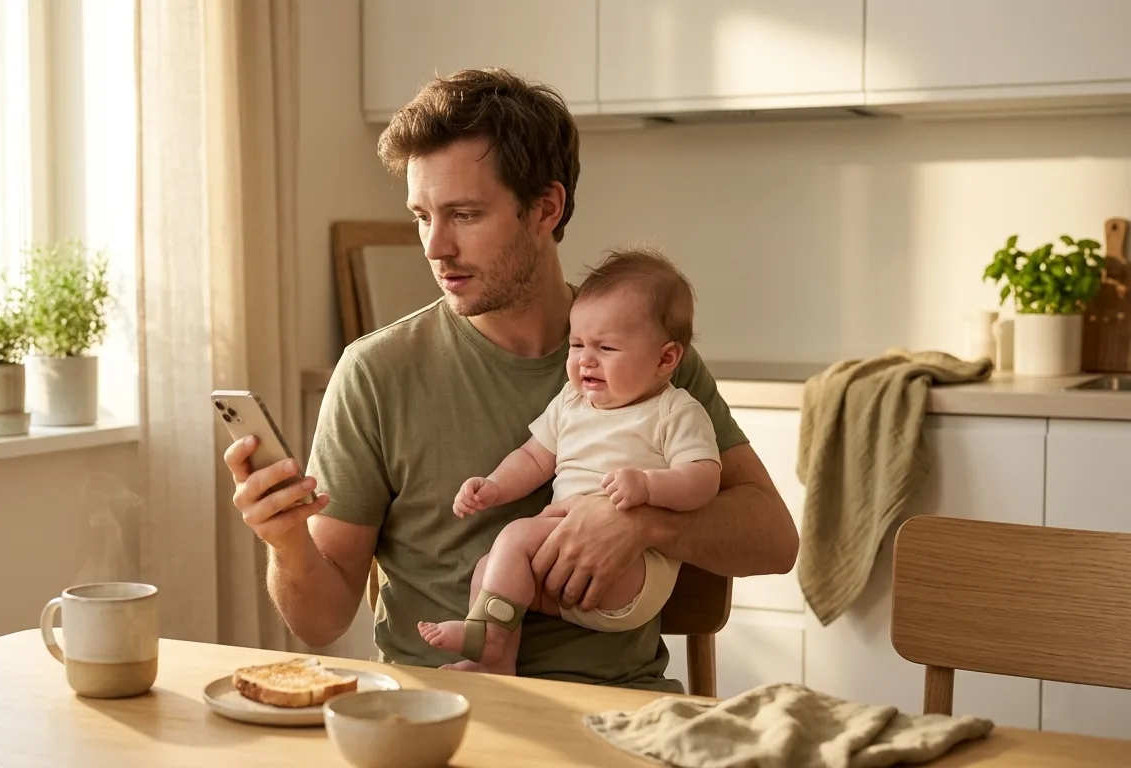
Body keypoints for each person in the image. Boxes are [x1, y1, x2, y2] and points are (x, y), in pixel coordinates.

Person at [224, 67, 799, 692]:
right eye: (422, 216)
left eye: (465, 214)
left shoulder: (643, 358)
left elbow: (774, 541)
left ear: (545, 208)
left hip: (615, 708)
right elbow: (320, 622)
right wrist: (286, 541)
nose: (434, 247)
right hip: (441, 709)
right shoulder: (376, 372)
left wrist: (644, 524)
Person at [419, 248, 723, 675]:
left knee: (516, 536)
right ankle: (495, 663)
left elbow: (704, 477)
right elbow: (533, 457)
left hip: (633, 572)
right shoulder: (571, 402)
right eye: (577, 344)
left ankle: (484, 635)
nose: (585, 360)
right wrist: (494, 487)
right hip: (563, 569)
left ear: (666, 358)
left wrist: (649, 487)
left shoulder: (674, 411)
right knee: (493, 569)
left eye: (607, 347)